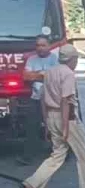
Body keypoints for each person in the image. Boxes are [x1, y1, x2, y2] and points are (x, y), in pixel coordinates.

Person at [20, 44, 85, 188]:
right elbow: (66, 100)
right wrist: (66, 126)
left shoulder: (49, 72)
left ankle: (32, 183)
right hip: (68, 119)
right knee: (84, 155)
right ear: (72, 59)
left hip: (52, 116)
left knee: (57, 154)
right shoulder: (67, 74)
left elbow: (43, 99)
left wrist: (47, 123)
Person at [19, 36, 60, 165]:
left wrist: (36, 75)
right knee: (31, 126)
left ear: (49, 46)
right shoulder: (31, 59)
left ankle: (59, 154)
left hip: (52, 99)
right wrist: (44, 74)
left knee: (55, 127)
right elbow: (26, 76)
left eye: (43, 45)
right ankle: (27, 156)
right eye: (38, 45)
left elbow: (56, 77)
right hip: (35, 99)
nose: (40, 48)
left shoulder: (55, 59)